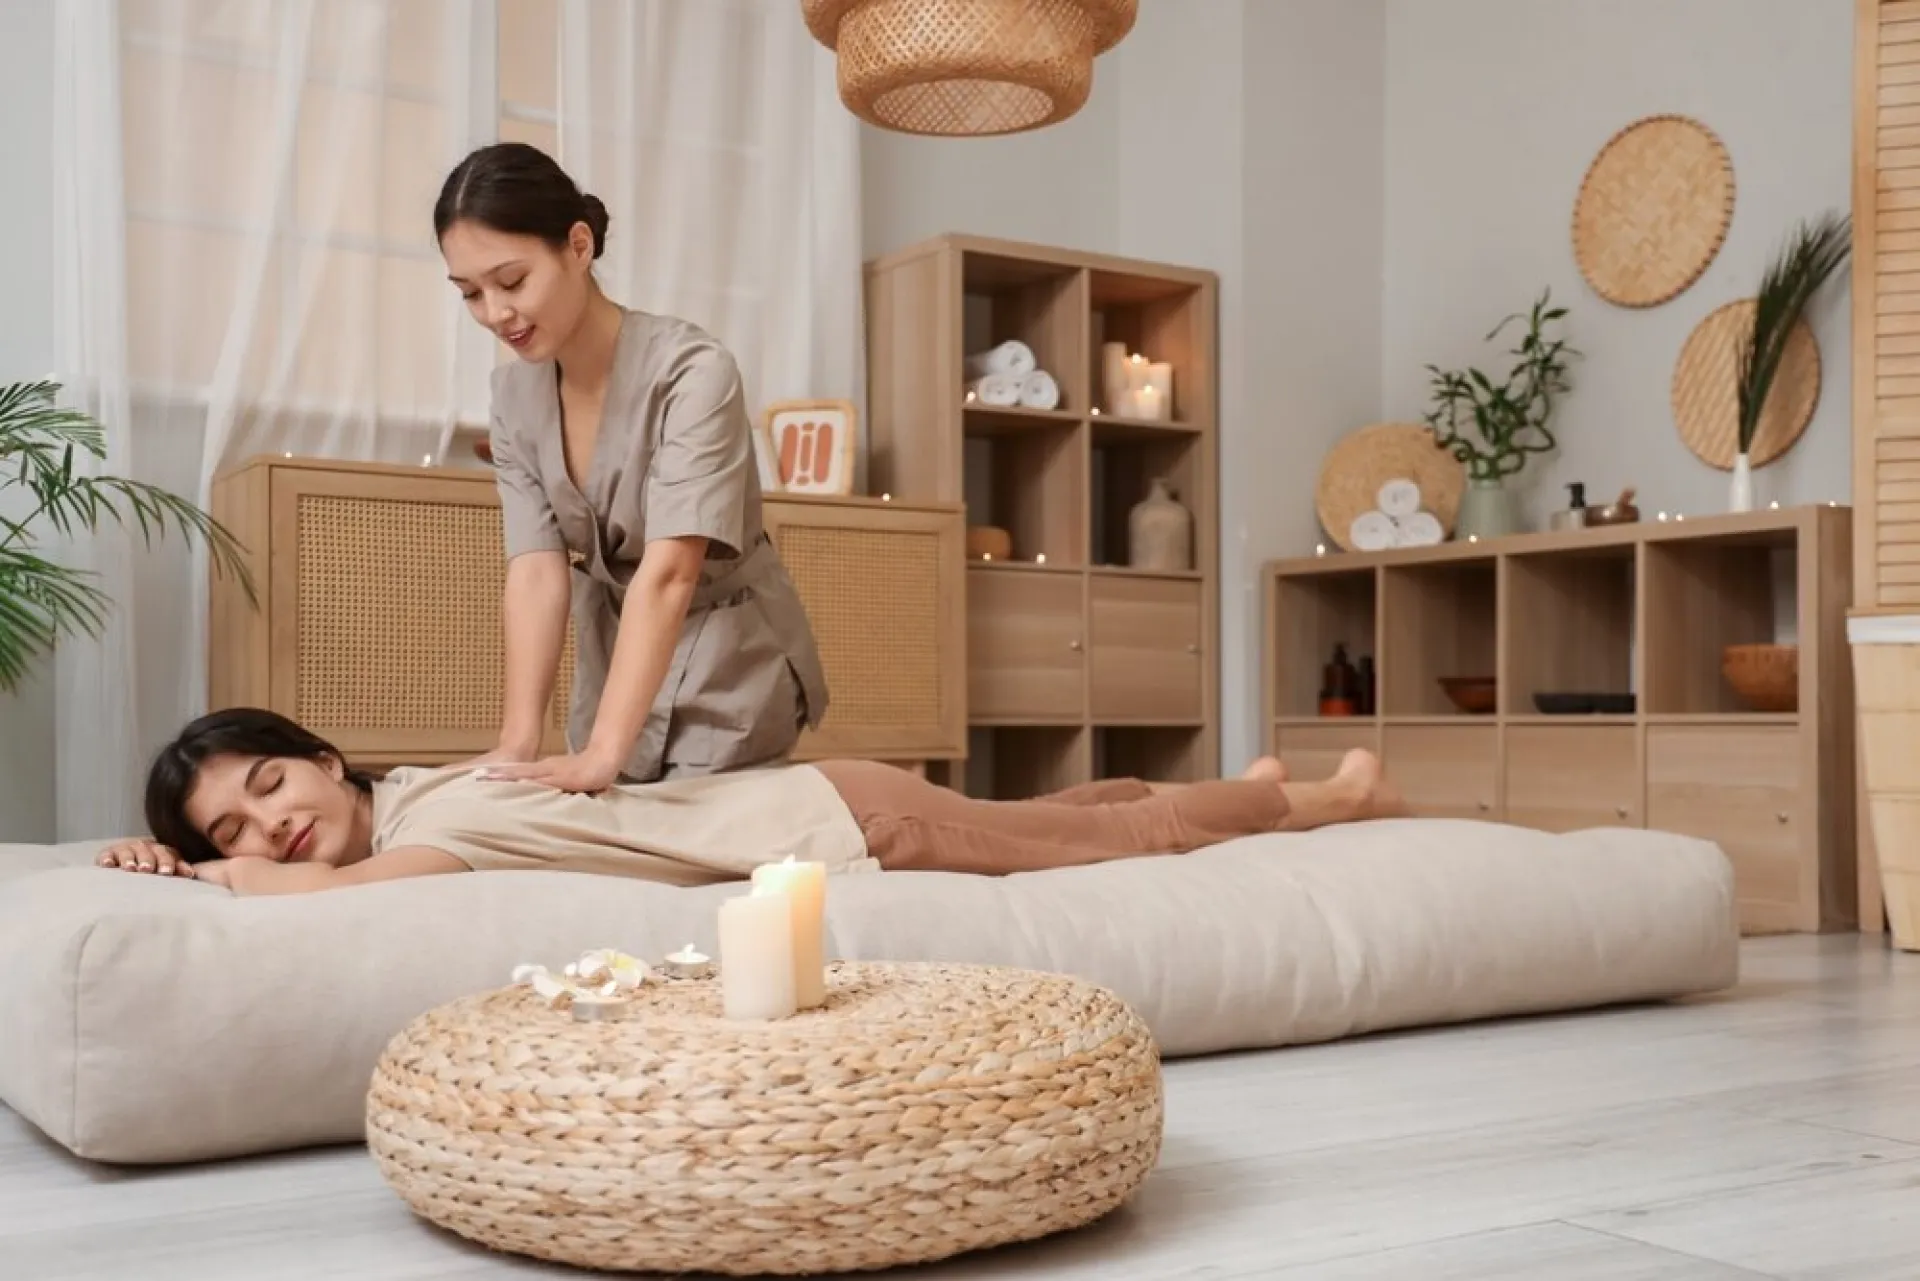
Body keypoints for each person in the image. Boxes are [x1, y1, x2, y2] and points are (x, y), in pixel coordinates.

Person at [434, 141, 827, 794]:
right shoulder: (512, 399)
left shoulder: (694, 373)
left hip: (727, 658)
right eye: (470, 293)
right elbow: (535, 572)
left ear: (579, 246)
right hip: (614, 654)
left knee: (693, 851)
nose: (495, 314)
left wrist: (601, 754)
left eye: (511, 281)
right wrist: (518, 738)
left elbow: (671, 572)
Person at [97, 708, 1410, 898]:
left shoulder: (437, 823)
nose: (267, 828)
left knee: (1094, 845)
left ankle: (1333, 806)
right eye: (229, 828)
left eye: (268, 786)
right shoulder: (442, 783)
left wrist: (199, 874)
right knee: (1048, 811)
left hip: (834, 826)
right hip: (821, 800)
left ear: (329, 764)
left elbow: (323, 899)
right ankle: (1252, 791)